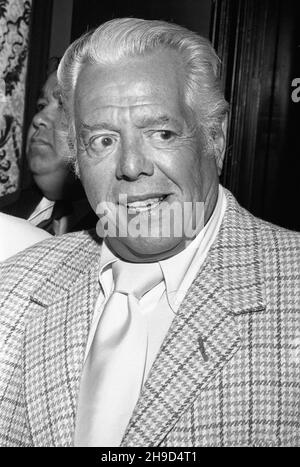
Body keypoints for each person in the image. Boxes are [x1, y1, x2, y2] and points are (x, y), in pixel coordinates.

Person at [0, 18, 299, 447]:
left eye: (161, 132)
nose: (131, 165)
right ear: (77, 161)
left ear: (215, 137)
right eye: (103, 140)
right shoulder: (13, 289)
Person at [2, 65, 97, 235]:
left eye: (63, 106)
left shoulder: (120, 231)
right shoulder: (4, 211)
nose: (38, 119)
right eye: (41, 106)